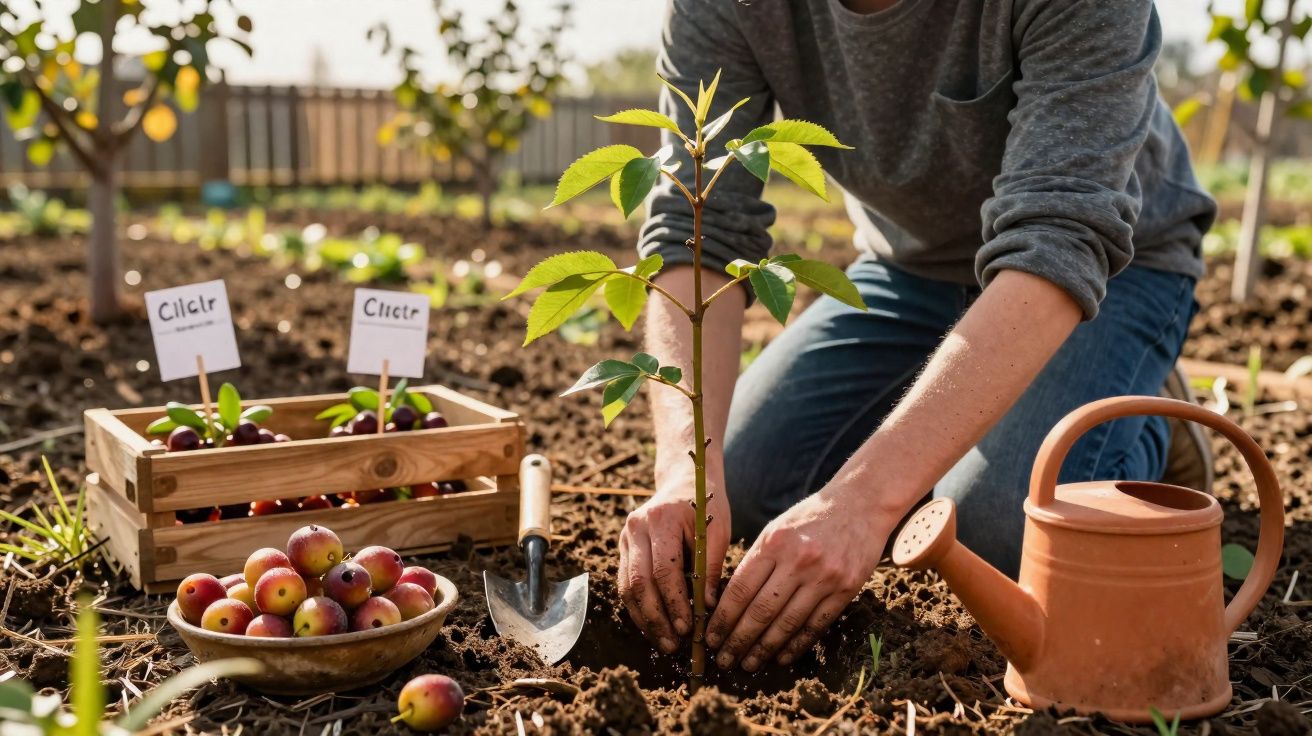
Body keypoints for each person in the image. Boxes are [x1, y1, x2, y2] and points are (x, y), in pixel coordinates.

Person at [617, 0, 1217, 675]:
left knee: (997, 528)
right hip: (910, 269)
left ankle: (1131, 411)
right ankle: (980, 403)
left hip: (1103, 272)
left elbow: (1060, 238)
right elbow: (697, 228)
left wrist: (860, 503)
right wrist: (683, 472)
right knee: (746, 485)